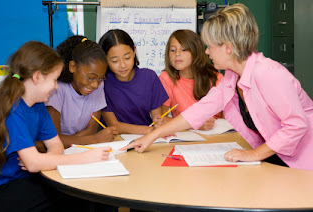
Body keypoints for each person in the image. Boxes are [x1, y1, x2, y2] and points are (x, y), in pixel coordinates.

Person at [122, 3, 313, 170]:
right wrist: (152, 136)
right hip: (276, 156)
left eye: (210, 46)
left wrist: (254, 155)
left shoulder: (268, 73)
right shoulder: (232, 76)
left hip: (303, 162)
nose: (206, 52)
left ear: (228, 47)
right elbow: (200, 111)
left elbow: (296, 125)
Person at [0, 41, 112, 211]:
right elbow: (33, 163)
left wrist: (41, 161)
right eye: (54, 80)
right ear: (37, 77)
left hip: (26, 177)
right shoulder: (14, 109)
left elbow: (55, 146)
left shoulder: (38, 105)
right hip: (3, 186)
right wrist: (85, 158)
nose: (56, 87)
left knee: (81, 194)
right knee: (73, 198)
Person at [45, 35, 118, 149]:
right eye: (90, 77)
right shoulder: (57, 88)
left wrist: (69, 141)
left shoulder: (98, 86)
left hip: (80, 150)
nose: (94, 85)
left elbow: (92, 130)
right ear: (73, 67)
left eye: (100, 78)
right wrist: (95, 139)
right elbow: (53, 139)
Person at [98, 29, 169, 134]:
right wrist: (148, 130)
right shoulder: (102, 84)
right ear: (105, 59)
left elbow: (156, 117)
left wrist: (158, 122)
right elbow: (113, 125)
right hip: (116, 142)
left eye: (127, 58)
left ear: (134, 51)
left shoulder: (149, 77)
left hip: (147, 139)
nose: (122, 65)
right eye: (115, 61)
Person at [160, 29, 223, 130]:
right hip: (187, 137)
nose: (177, 53)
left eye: (183, 49)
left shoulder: (217, 79)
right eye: (172, 50)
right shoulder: (167, 78)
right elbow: (161, 119)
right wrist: (196, 124)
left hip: (218, 135)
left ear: (196, 52)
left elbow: (229, 119)